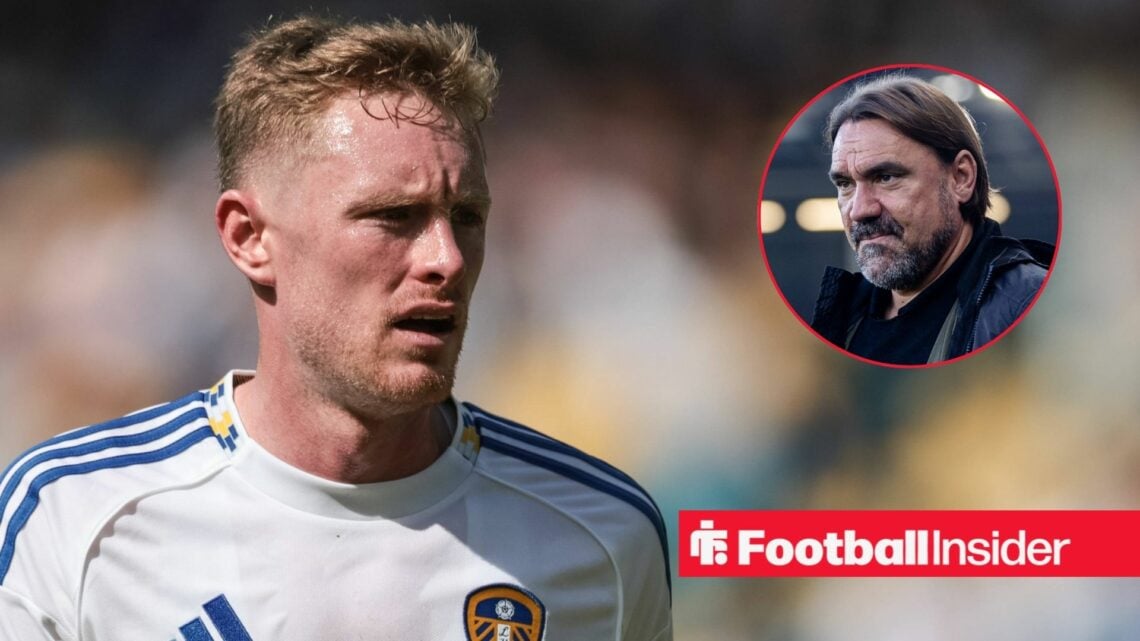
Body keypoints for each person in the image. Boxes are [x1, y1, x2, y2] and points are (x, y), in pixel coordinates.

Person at [0, 16, 672, 641]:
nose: (447, 259)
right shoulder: (74, 517)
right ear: (249, 237)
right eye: (392, 216)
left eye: (466, 215)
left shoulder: (602, 535)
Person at [809, 74, 1054, 365]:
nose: (860, 210)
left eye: (886, 177)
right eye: (845, 184)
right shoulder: (840, 318)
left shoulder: (1029, 307)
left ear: (961, 178)